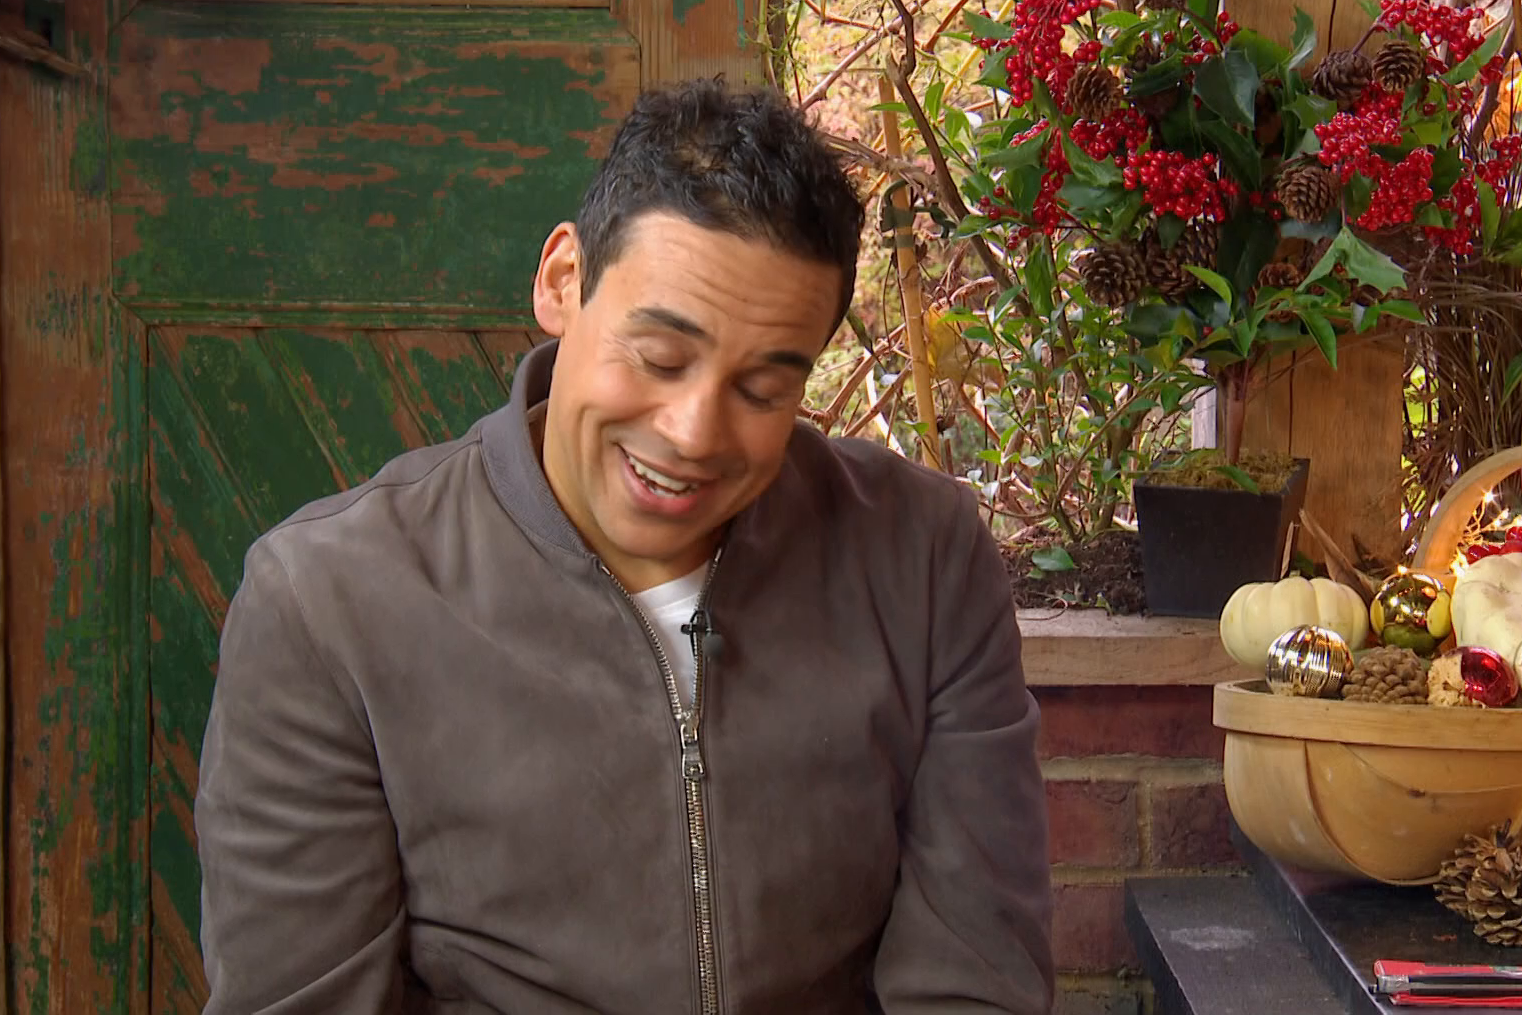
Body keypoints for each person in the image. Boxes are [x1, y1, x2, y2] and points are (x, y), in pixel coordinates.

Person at [194, 76, 1053, 1014]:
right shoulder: (329, 604)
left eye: (763, 390)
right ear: (563, 281)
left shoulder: (922, 557)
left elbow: (975, 982)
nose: (693, 433)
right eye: (660, 357)